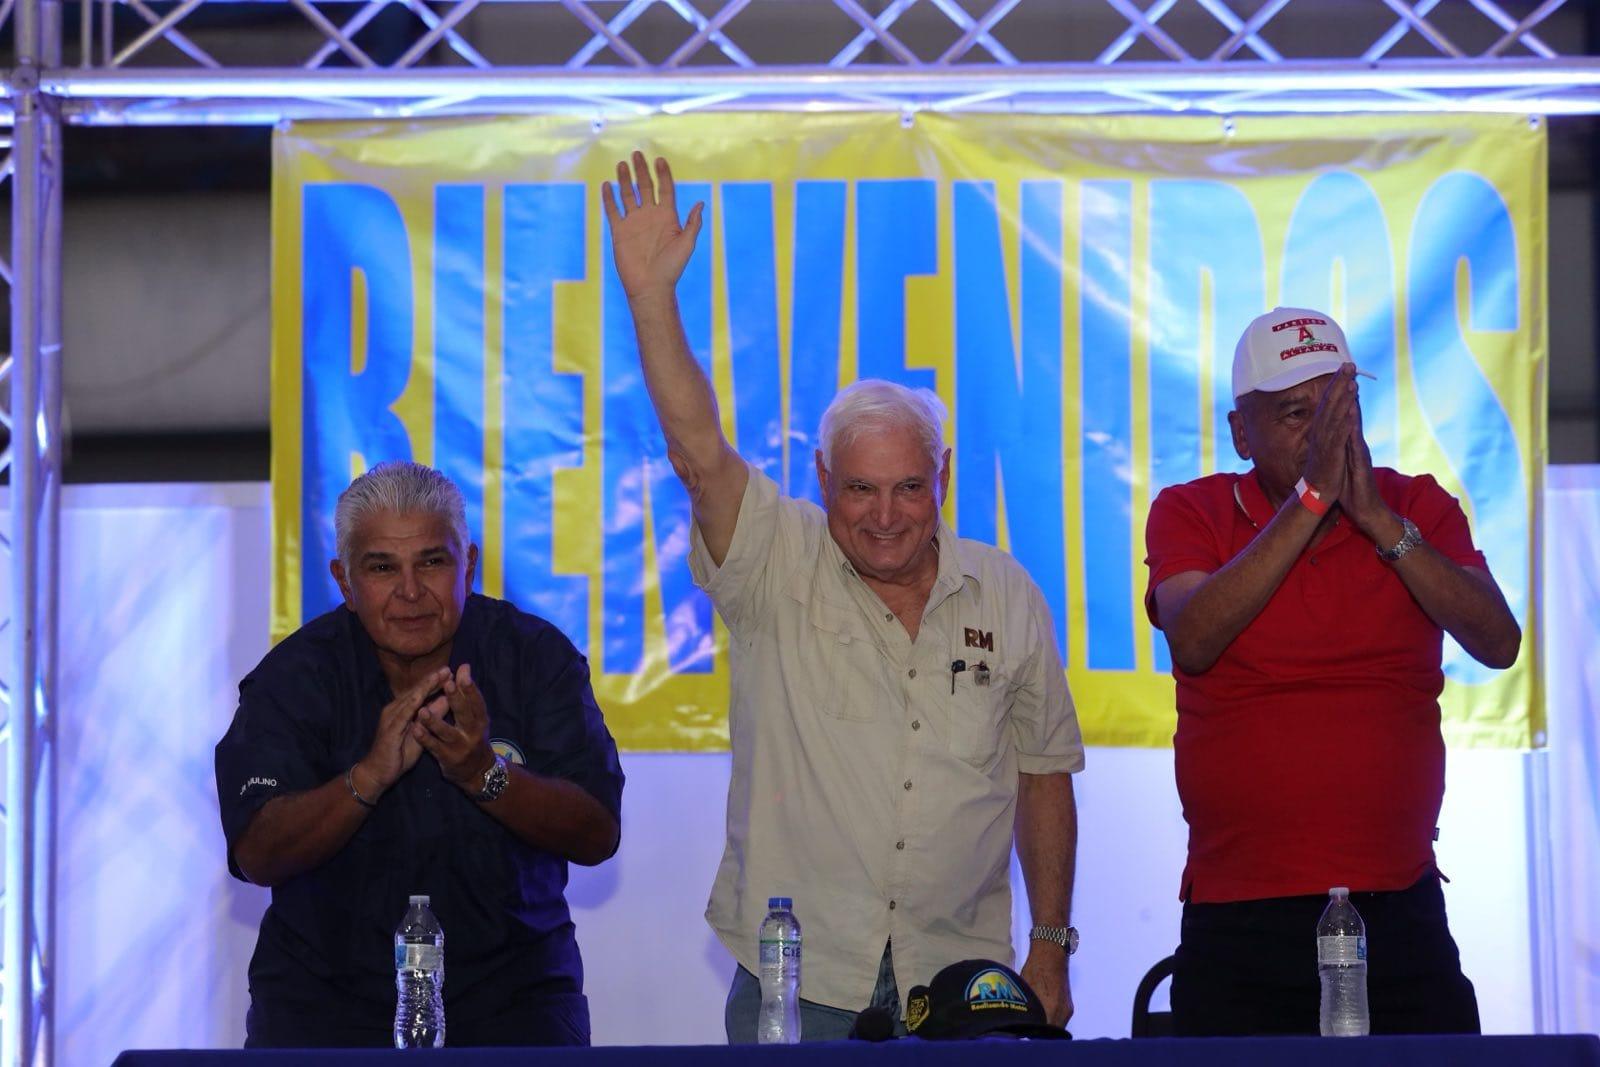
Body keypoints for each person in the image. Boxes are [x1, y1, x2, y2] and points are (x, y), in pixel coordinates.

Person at [602, 151, 1085, 1041]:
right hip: (800, 980)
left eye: (908, 487)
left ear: (943, 479)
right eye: (860, 488)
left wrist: (1051, 944)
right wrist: (651, 300)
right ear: (822, 479)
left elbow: (1044, 770)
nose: (885, 516)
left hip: (962, 983)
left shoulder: (1007, 593)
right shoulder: (774, 560)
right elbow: (700, 451)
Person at [1144, 306, 1521, 1036]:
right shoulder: (1192, 510)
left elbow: (1498, 640)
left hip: (1399, 903)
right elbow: (1193, 637)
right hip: (1241, 912)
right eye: (1296, 414)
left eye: (1337, 409)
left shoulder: (1415, 504)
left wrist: (1379, 521)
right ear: (1241, 433)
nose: (1323, 436)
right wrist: (1311, 501)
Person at [214, 461, 624, 1047]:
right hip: (324, 1009)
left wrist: (486, 775)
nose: (410, 591)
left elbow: (597, 833)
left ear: (469, 566)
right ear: (345, 582)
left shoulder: (534, 659)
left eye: (432, 562)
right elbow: (258, 853)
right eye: (382, 567)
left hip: (514, 1004)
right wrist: (365, 779)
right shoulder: (296, 677)